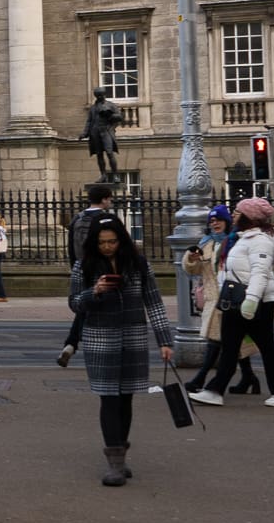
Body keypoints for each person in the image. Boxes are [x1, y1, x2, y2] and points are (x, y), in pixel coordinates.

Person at [69, 215, 174, 485]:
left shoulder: (138, 264)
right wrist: (95, 291)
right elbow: (75, 303)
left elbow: (154, 303)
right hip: (100, 339)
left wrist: (165, 341)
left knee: (126, 398)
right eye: (102, 242)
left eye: (112, 241)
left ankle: (121, 456)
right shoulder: (84, 266)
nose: (107, 247)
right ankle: (114, 464)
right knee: (109, 398)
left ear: (121, 240)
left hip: (133, 337)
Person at [190, 196, 274, 408]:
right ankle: (214, 390)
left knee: (266, 346)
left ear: (249, 217)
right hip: (236, 299)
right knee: (229, 347)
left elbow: (260, 272)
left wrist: (252, 300)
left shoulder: (260, 241)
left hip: (256, 302)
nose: (233, 215)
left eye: (238, 212)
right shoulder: (244, 238)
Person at [183, 206, 260, 395]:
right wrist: (191, 259)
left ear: (226, 222)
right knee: (231, 341)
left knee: (218, 340)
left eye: (218, 220)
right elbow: (192, 270)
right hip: (214, 297)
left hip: (233, 297)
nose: (214, 223)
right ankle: (249, 377)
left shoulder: (236, 241)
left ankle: (200, 378)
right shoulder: (206, 243)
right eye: (212, 221)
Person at [57, 183, 114, 367]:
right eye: (109, 198)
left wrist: (75, 267)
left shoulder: (77, 219)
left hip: (81, 268)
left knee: (84, 306)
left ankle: (71, 344)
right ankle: (95, 349)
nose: (111, 201)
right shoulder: (106, 219)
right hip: (103, 270)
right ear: (104, 199)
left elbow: (70, 248)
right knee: (105, 310)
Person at [80, 89, 123, 180]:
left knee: (109, 153)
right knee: (99, 154)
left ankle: (115, 175)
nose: (100, 97)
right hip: (95, 132)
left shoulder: (110, 105)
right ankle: (103, 175)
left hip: (106, 131)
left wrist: (109, 115)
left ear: (104, 95)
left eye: (101, 95)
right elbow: (89, 121)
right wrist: (84, 133)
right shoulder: (92, 108)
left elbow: (119, 117)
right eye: (98, 96)